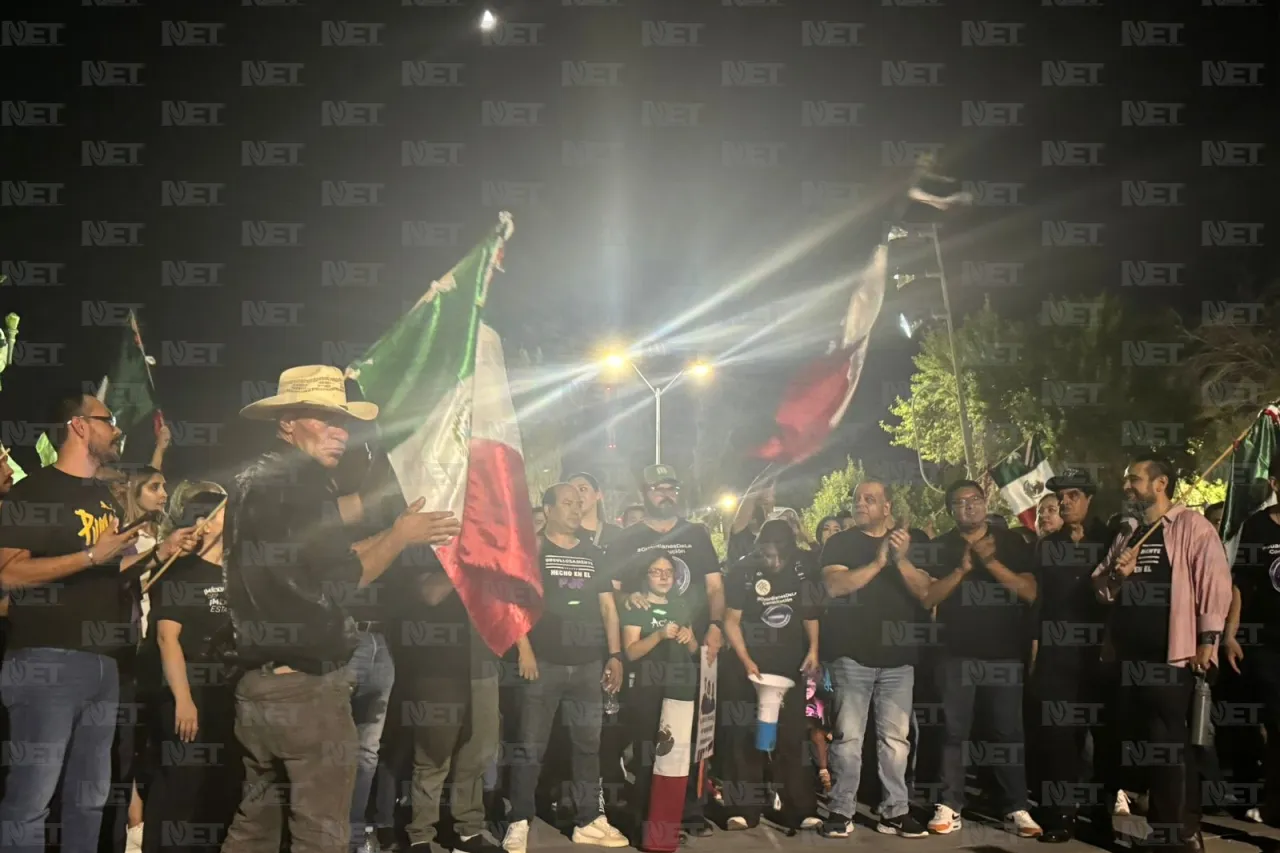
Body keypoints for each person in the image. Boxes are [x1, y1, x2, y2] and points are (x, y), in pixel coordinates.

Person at [221, 365, 461, 853]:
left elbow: (320, 558)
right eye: (324, 419)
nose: (340, 432)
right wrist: (399, 536)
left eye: (344, 421)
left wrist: (389, 524)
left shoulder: (255, 479)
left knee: (255, 827)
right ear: (287, 422)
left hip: (257, 687)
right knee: (323, 832)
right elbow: (342, 579)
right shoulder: (303, 483)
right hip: (306, 690)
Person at [0, 391, 193, 853]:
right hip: (47, 658)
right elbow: (7, 571)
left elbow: (107, 569)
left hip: (106, 664)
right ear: (79, 426)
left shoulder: (104, 498)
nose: (117, 430)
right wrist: (89, 555)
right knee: (32, 799)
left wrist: (158, 554)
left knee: (90, 799)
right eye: (108, 420)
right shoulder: (35, 491)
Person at [1091, 454, 1232, 852]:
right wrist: (1119, 574)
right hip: (1132, 657)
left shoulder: (1191, 527)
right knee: (1152, 743)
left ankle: (1181, 833)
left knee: (1170, 742)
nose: (1126, 486)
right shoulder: (1131, 532)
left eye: (1133, 479)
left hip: (1174, 654)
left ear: (1160, 483)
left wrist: (1209, 639)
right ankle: (1167, 828)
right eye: (1125, 479)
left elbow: (1214, 583)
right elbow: (1099, 588)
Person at [503, 484, 627, 852]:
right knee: (530, 746)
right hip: (542, 664)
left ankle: (588, 820)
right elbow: (514, 603)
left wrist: (615, 655)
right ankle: (518, 820)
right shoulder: (533, 549)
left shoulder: (593, 552)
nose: (577, 508)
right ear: (549, 509)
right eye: (568, 503)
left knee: (588, 745)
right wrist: (523, 649)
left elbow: (608, 607)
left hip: (588, 665)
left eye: (580, 502)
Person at [605, 464, 725, 837]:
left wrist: (717, 626)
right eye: (658, 487)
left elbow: (715, 587)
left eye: (671, 487)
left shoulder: (697, 533)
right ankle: (643, 814)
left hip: (687, 653)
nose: (665, 494)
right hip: (645, 654)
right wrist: (633, 596)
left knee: (687, 737)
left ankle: (687, 812)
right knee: (644, 738)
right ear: (645, 492)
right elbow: (610, 591)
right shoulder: (628, 538)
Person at [921, 480, 1042, 838]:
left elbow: (1030, 592)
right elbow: (928, 598)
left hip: (1004, 653)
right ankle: (949, 804)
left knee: (1007, 732)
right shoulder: (941, 546)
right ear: (950, 511)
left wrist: (989, 562)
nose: (968, 507)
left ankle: (1016, 806)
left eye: (974, 500)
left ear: (985, 502)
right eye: (959, 503)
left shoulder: (1011, 542)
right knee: (953, 733)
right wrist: (961, 569)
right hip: (954, 654)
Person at [817, 480, 933, 839]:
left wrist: (899, 560)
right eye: (856, 499)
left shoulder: (913, 542)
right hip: (851, 656)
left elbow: (926, 593)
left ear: (887, 508)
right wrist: (880, 560)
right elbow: (835, 586)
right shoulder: (840, 542)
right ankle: (841, 809)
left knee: (895, 741)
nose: (860, 504)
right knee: (848, 738)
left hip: (899, 659)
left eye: (870, 499)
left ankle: (895, 811)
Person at [141, 485, 239, 853]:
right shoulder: (181, 573)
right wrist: (183, 699)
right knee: (181, 785)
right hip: (187, 689)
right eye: (227, 514)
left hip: (223, 693)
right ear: (205, 524)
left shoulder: (234, 573)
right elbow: (167, 638)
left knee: (216, 785)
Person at [1030, 469, 1115, 842]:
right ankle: (1057, 817)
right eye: (1060, 497)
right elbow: (1037, 605)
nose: (1065, 502)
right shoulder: (1047, 546)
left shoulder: (1112, 539)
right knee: (1058, 740)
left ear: (1090, 498)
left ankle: (1099, 816)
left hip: (1101, 655)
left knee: (1105, 741)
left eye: (1073, 495)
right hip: (1057, 656)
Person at [720, 520, 822, 831]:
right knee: (745, 737)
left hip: (790, 667)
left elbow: (810, 613)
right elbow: (731, 621)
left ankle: (799, 808)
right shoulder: (743, 572)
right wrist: (746, 660)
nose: (774, 561)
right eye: (768, 554)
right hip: (749, 668)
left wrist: (814, 650)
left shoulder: (803, 568)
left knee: (792, 737)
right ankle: (742, 809)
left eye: (780, 555)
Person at [620, 554, 701, 844]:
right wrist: (658, 635)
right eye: (657, 572)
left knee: (676, 761)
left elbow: (694, 650)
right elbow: (630, 652)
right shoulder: (636, 606)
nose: (664, 576)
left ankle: (667, 826)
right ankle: (641, 826)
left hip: (679, 694)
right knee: (646, 759)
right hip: (648, 692)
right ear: (646, 576)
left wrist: (689, 637)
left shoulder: (680, 605)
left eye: (668, 571)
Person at [1225, 456, 1280, 822]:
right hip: (1265, 644)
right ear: (1275, 483)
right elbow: (1239, 586)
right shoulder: (1257, 526)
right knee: (1276, 723)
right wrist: (1229, 635)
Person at [568, 472, 624, 549]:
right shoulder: (562, 535)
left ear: (598, 494)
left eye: (582, 489)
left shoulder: (617, 535)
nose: (577, 495)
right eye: (571, 491)